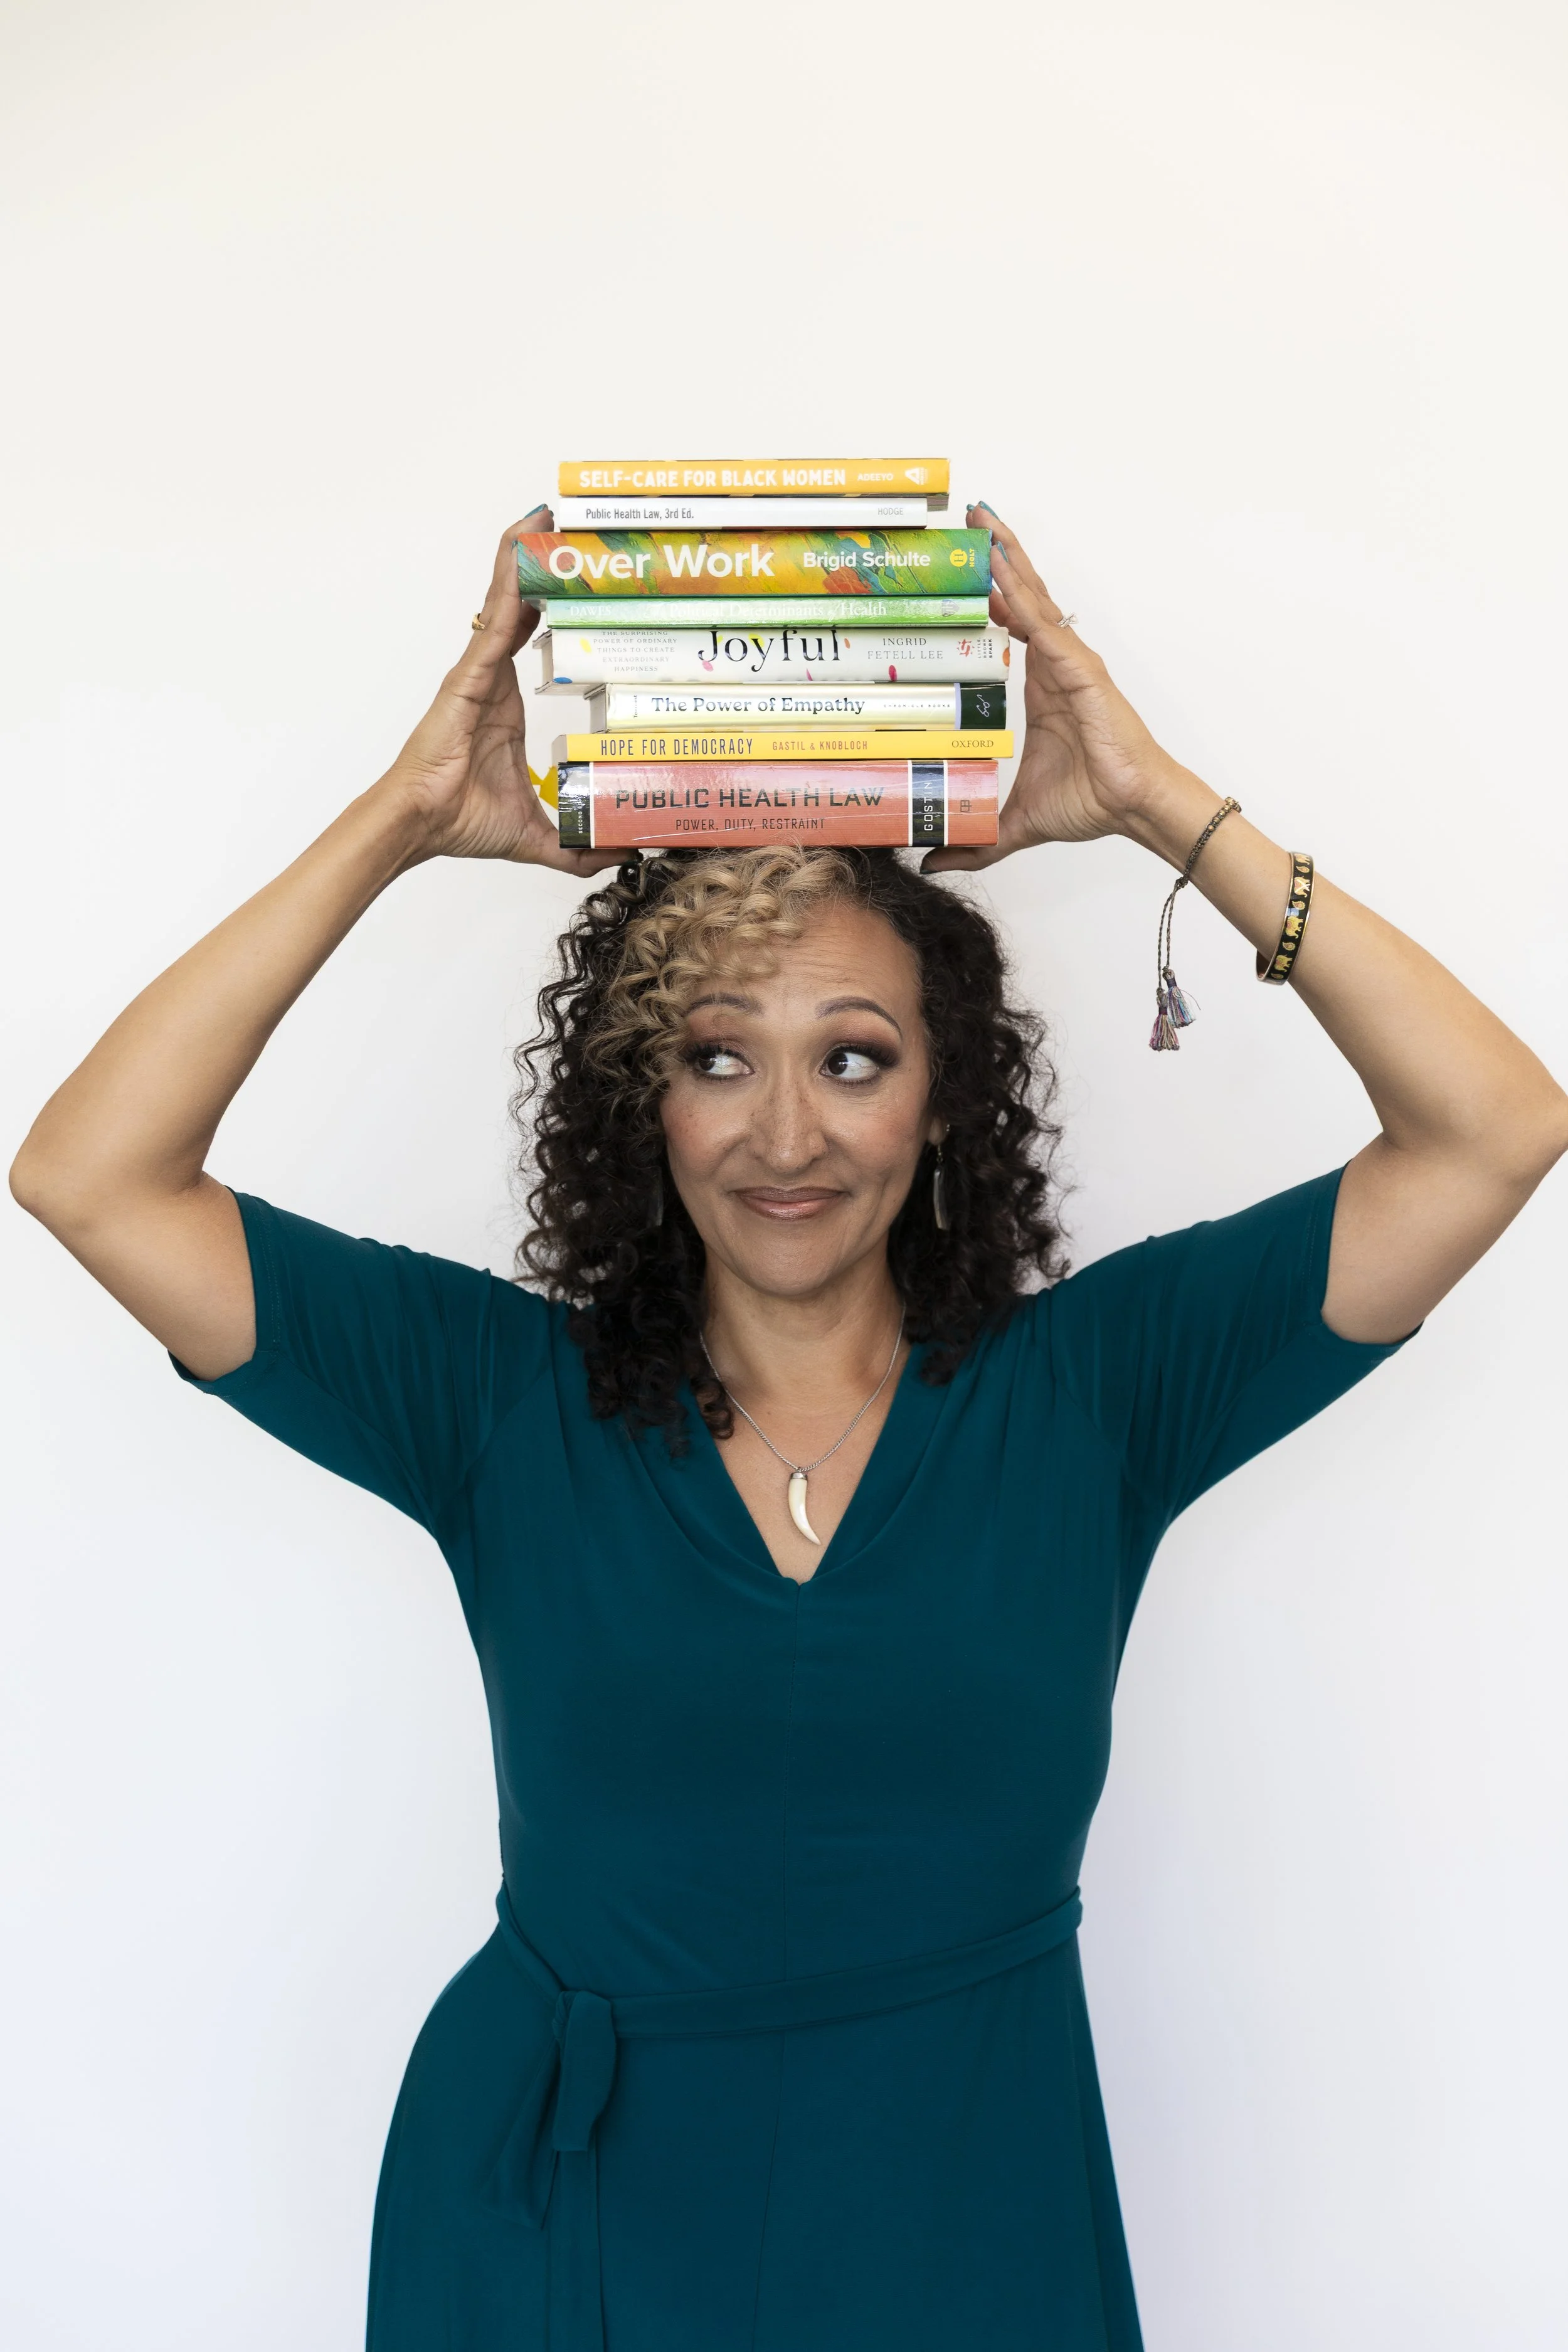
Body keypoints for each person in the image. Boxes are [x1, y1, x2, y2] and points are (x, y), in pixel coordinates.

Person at [11, 500, 1565, 2352]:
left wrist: (1162, 805)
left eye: (851, 1054)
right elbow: (91, 1175)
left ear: (940, 1099)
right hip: (573, 2239)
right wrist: (401, 824)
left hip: (966, 2233)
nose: (784, 1133)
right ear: (638, 1104)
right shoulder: (501, 1401)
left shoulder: (1092, 1395)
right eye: (713, 1054)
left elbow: (1492, 1126)